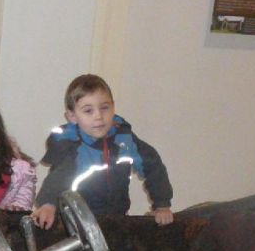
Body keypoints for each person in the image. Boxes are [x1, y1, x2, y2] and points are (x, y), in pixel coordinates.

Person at [32, 74, 173, 228]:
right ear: (72, 116)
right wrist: (48, 204)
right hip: (76, 222)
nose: (98, 116)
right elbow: (58, 178)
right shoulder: (72, 146)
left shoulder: (124, 140)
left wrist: (162, 204)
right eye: (88, 111)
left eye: (104, 108)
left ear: (113, 108)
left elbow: (153, 166)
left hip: (116, 218)